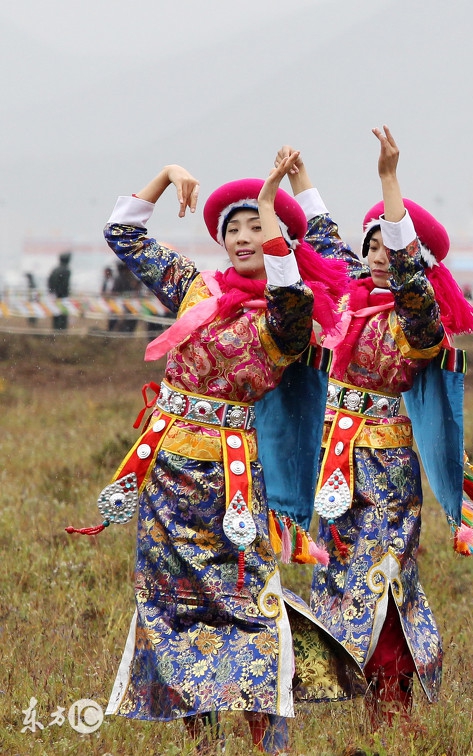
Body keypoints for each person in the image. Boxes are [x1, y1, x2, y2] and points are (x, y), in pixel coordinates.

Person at [70, 156, 360, 754]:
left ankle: (266, 741)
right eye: (233, 228)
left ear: (278, 237)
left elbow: (291, 290)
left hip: (231, 481)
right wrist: (166, 174)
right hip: (165, 472)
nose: (243, 237)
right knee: (170, 607)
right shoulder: (196, 287)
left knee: (250, 603)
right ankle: (201, 743)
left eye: (257, 226)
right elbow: (124, 234)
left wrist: (281, 194)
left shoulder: (288, 316)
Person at [279, 130, 473, 728]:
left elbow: (406, 271)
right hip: (334, 462)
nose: (377, 252)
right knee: (338, 570)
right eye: (370, 241)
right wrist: (300, 179)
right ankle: (356, 688)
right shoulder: (350, 295)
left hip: (387, 466)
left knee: (386, 574)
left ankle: (394, 701)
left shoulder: (418, 318)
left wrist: (389, 182)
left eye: (389, 245)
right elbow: (323, 240)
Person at [47, 251, 72, 330]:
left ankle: (56, 330)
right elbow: (65, 284)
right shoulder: (67, 270)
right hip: (63, 296)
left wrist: (52, 292)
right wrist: (62, 293)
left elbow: (50, 281)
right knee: (63, 314)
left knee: (56, 314)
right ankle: (62, 331)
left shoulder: (55, 269)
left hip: (55, 295)